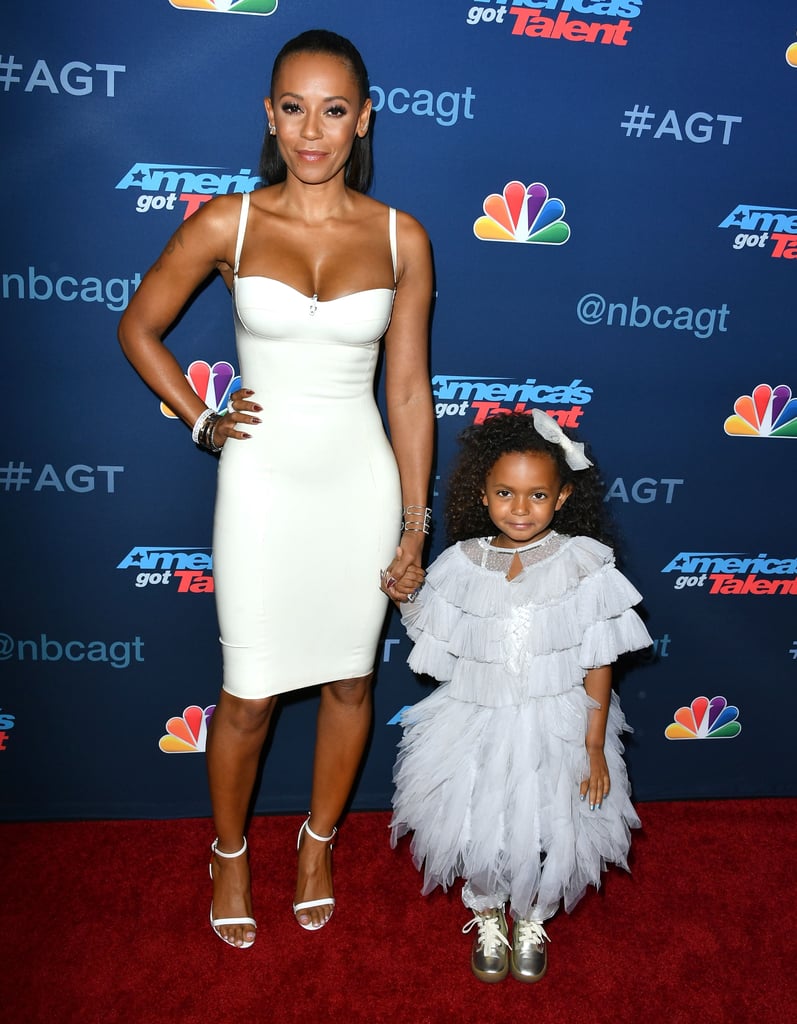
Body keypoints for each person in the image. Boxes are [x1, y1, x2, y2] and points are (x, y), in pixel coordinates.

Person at [118, 29, 434, 948]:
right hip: (260, 487)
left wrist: (413, 526)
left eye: (333, 110)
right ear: (268, 113)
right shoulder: (230, 223)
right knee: (249, 694)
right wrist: (201, 418)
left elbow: (409, 393)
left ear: (362, 118)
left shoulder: (399, 236)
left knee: (346, 682)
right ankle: (228, 852)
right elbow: (140, 327)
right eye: (293, 107)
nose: (311, 130)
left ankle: (316, 842)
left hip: (360, 485)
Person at [390, 410, 651, 983]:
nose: (520, 508)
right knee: (477, 823)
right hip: (473, 719)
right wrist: (404, 594)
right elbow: (434, 630)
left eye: (537, 495)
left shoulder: (582, 562)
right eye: (505, 492)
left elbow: (598, 657)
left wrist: (593, 744)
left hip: (557, 719)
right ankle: (486, 910)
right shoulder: (460, 563)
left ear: (561, 498)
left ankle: (534, 915)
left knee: (548, 823)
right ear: (483, 495)